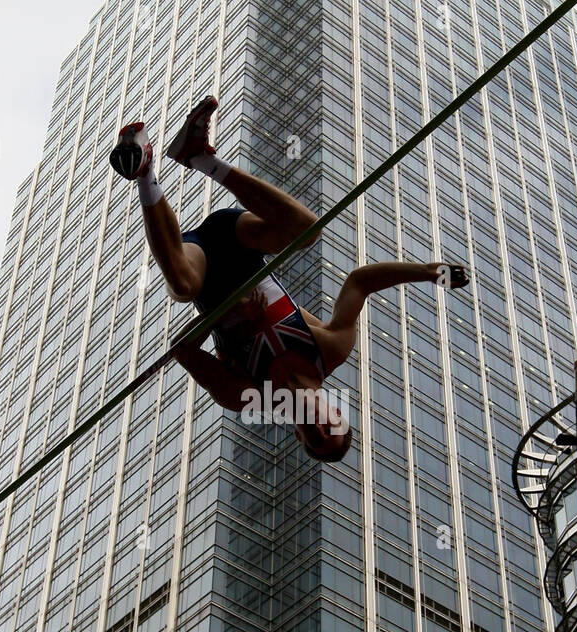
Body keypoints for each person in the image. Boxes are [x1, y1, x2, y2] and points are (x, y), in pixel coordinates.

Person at [110, 96, 469, 462]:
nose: (317, 428)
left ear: (298, 437)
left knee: (183, 289)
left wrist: (228, 314)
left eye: (314, 439)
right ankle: (200, 159)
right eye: (329, 428)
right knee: (307, 231)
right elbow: (360, 282)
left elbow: (183, 350)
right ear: (337, 413)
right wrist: (427, 272)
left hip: (202, 271)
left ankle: (145, 173)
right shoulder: (329, 350)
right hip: (240, 244)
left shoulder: (245, 394)